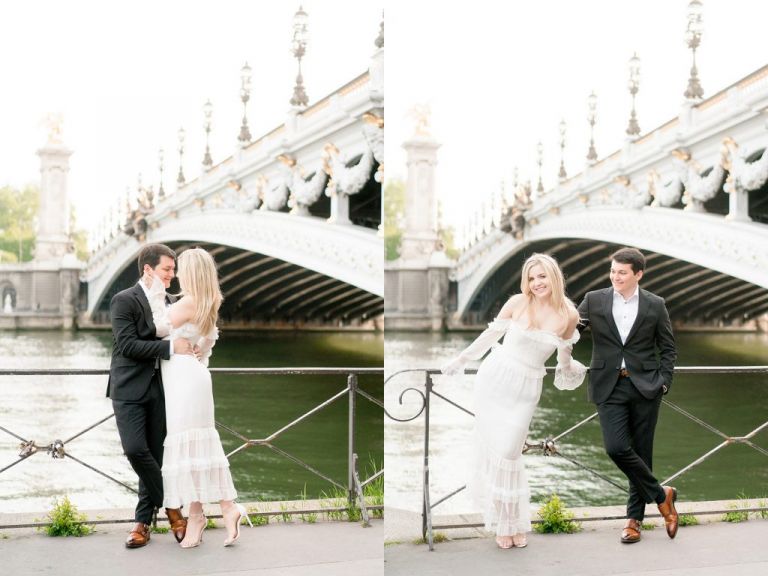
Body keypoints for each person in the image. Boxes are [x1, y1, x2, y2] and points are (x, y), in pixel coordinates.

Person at [442, 253, 586, 549]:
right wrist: (461, 359)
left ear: (554, 277)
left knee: (509, 453)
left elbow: (564, 354)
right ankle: (505, 526)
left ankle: (512, 522)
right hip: (495, 379)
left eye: (542, 276)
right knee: (500, 455)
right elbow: (488, 337)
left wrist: (571, 369)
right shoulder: (517, 303)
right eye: (531, 278)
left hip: (527, 387)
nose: (536, 283)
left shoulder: (569, 315)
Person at [147, 247, 251, 548]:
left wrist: (155, 288)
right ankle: (206, 513)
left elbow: (154, 328)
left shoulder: (189, 302)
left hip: (182, 379)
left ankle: (218, 509)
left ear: (191, 272)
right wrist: (192, 352)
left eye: (180, 268)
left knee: (189, 447)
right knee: (199, 446)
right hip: (195, 376)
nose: (176, 273)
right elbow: (205, 345)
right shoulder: (210, 301)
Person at [576, 247, 678, 544]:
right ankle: (663, 496)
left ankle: (634, 520)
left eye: (622, 272)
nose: (615, 276)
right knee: (616, 447)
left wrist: (664, 382)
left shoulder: (655, 304)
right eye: (613, 271)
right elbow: (571, 329)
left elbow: (668, 348)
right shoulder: (594, 300)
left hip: (646, 386)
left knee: (642, 453)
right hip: (608, 384)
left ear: (638, 274)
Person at [107, 243, 193, 548]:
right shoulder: (123, 300)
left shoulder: (171, 302)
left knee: (155, 456)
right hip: (128, 388)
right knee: (135, 450)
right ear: (148, 269)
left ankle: (142, 523)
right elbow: (128, 345)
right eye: (167, 269)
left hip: (163, 389)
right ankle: (172, 507)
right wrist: (170, 347)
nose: (172, 275)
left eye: (173, 269)